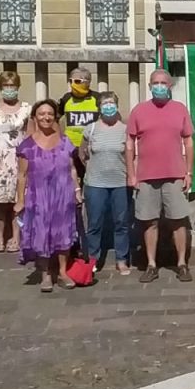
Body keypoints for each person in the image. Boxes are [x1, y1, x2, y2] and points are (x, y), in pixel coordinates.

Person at [127, 69, 194, 283]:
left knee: (178, 220)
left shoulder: (179, 109)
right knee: (149, 221)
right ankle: (151, 264)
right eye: (155, 82)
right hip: (146, 176)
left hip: (175, 174)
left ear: (170, 85)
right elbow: (129, 144)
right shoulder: (139, 111)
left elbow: (188, 142)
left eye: (163, 82)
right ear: (149, 86)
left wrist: (189, 171)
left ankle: (182, 263)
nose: (159, 86)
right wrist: (131, 174)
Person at [17, 100, 81, 291]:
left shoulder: (65, 141)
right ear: (35, 117)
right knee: (41, 234)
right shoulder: (27, 145)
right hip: (38, 196)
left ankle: (62, 272)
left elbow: (72, 169)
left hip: (63, 193)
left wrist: (77, 190)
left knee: (63, 233)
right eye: (42, 114)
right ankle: (45, 275)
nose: (46, 117)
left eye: (50, 114)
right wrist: (20, 200)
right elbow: (21, 175)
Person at [80, 92, 132, 276]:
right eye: (105, 103)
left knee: (122, 223)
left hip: (120, 183)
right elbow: (82, 153)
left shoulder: (125, 130)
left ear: (117, 106)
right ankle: (93, 259)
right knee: (94, 222)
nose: (108, 106)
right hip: (95, 183)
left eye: (112, 103)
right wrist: (91, 168)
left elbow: (131, 155)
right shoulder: (91, 129)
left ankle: (122, 260)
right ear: (98, 108)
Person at [0, 71, 30, 253]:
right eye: (6, 86)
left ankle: (16, 237)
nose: (9, 89)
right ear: (0, 87)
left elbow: (30, 134)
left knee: (17, 199)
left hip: (18, 159)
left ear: (18, 87)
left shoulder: (27, 108)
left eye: (12, 86)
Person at [59, 66, 99, 254]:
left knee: (89, 193)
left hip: (90, 152)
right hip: (69, 152)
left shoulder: (96, 99)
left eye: (77, 81)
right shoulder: (66, 100)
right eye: (71, 81)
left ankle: (89, 233)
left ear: (87, 82)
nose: (73, 85)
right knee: (71, 193)